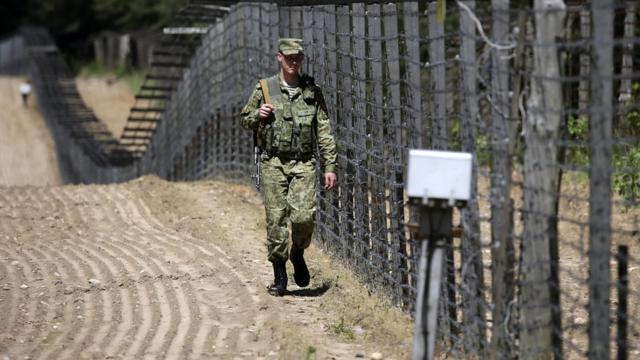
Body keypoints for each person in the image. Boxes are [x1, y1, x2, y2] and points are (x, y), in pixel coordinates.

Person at [240, 38, 338, 296]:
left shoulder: (311, 91)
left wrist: (330, 165)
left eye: (298, 57)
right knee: (276, 220)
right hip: (273, 162)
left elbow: (324, 131)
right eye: (289, 57)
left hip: (304, 163)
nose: (293, 62)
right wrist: (257, 114)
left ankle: (297, 252)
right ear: (279, 57)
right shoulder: (265, 88)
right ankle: (280, 275)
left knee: (304, 217)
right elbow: (244, 119)